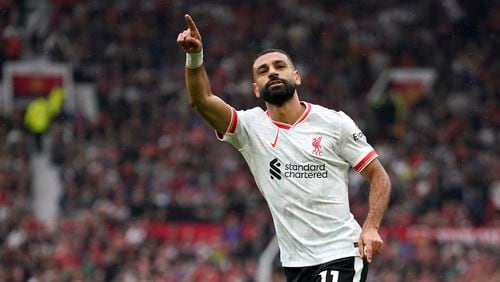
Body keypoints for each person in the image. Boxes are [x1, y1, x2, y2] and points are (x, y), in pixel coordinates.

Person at [177, 14, 391, 282]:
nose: (273, 72)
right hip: (295, 263)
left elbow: (378, 175)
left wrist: (370, 227)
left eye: (280, 66)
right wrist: (195, 58)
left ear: (297, 77)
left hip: (341, 253)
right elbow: (202, 101)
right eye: (263, 71)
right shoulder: (249, 128)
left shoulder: (334, 123)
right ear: (256, 89)